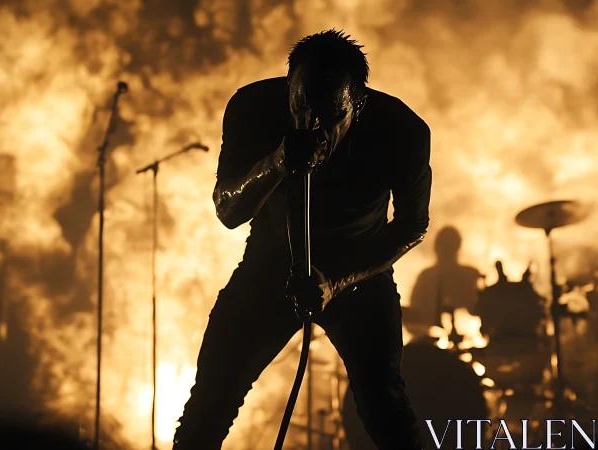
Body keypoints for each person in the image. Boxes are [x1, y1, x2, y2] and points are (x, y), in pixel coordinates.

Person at [173, 30, 432, 450]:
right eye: (298, 106)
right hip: (270, 265)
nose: (309, 124)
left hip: (358, 273)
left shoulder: (402, 130)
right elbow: (228, 210)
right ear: (288, 86)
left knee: (385, 408)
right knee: (208, 406)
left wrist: (337, 282)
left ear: (359, 104)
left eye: (330, 115)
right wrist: (276, 163)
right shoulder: (252, 107)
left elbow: (411, 226)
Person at [408, 226, 483, 330]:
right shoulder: (426, 277)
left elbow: (482, 311)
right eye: (445, 245)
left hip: (468, 333)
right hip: (431, 337)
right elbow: (415, 317)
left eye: (449, 245)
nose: (446, 249)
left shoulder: (471, 275)